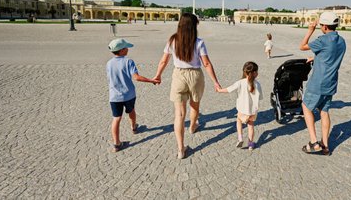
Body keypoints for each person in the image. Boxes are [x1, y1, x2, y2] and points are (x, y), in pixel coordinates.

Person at [154, 13, 221, 159]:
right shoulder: (198, 42)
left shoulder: (172, 41)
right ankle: (192, 127)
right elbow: (207, 63)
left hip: (179, 75)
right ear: (193, 26)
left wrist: (158, 75)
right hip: (195, 75)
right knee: (194, 105)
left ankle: (180, 149)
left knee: (179, 114)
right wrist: (215, 82)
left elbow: (163, 61)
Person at [299, 12, 346, 155]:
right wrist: (315, 58)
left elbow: (302, 46)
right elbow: (330, 56)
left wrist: (310, 31)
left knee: (306, 107)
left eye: (320, 25)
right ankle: (325, 146)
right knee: (324, 112)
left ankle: (314, 142)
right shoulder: (341, 40)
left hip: (318, 83)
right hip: (331, 83)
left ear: (325, 26)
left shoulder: (323, 40)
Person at [106, 38, 159, 153]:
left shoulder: (109, 63)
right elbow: (136, 77)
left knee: (116, 118)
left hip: (114, 96)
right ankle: (134, 128)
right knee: (131, 111)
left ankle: (116, 144)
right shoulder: (128, 61)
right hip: (128, 94)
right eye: (126, 48)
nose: (128, 49)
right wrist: (151, 80)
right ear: (122, 50)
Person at [217, 61, 262, 151]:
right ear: (255, 73)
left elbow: (229, 89)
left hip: (242, 109)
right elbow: (260, 97)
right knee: (251, 126)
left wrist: (219, 90)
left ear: (244, 72)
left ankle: (240, 138)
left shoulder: (240, 82)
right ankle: (250, 144)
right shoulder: (257, 84)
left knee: (239, 121)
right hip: (253, 111)